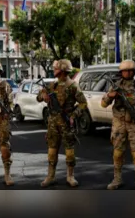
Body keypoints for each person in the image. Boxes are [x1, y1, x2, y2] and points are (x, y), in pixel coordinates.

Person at [36, 59, 88, 188]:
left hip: (66, 122)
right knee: (52, 151)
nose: (54, 71)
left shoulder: (72, 86)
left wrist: (73, 115)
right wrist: (43, 95)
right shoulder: (52, 85)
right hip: (53, 123)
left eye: (56, 69)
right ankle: (50, 176)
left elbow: (83, 103)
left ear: (63, 70)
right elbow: (38, 98)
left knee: (69, 151)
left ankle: (70, 176)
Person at [101, 60, 135, 190]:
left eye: (130, 71)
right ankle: (117, 179)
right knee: (118, 153)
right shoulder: (115, 86)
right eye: (125, 71)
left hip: (134, 123)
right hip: (119, 123)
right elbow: (103, 104)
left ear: (134, 72)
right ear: (121, 72)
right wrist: (109, 96)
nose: (127, 73)